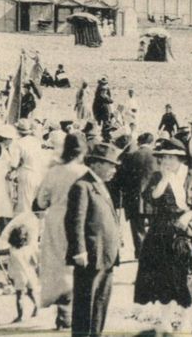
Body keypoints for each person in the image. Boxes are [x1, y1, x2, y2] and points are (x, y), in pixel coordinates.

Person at [134, 138, 192, 308]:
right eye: (165, 157)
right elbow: (150, 198)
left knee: (185, 275)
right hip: (161, 229)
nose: (167, 161)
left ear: (180, 159)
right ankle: (165, 319)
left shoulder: (191, 176)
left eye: (172, 158)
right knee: (162, 277)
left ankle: (185, 319)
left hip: (184, 230)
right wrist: (164, 180)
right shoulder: (157, 176)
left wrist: (190, 215)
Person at [65, 142, 122, 337]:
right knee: (86, 303)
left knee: (100, 301)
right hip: (91, 255)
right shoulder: (82, 186)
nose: (114, 170)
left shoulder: (100, 185)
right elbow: (75, 222)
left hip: (105, 255)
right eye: (111, 165)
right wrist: (79, 250)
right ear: (97, 164)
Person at [35, 133, 89, 330]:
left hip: (56, 220)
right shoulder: (84, 172)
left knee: (57, 266)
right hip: (78, 220)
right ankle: (71, 311)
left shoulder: (54, 172)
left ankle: (62, 313)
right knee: (75, 263)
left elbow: (41, 200)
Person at [117, 132, 157, 259]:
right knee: (154, 227)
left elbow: (122, 178)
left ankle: (140, 253)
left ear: (139, 143)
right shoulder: (157, 157)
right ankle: (154, 253)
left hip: (133, 198)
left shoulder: (130, 156)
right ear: (152, 143)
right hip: (153, 198)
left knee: (137, 228)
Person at [0, 214, 40, 323]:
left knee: (19, 297)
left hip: (20, 276)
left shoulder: (11, 250)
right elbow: (35, 262)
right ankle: (36, 306)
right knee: (30, 292)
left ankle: (20, 316)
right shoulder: (29, 249)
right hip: (29, 274)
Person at [13, 119, 46, 214]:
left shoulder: (18, 143)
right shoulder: (37, 141)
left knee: (25, 205)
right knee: (34, 203)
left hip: (27, 174)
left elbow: (14, 163)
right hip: (38, 174)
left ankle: (26, 227)